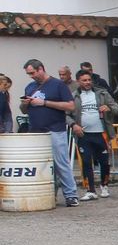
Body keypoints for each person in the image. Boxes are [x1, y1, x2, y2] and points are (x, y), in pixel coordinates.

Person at [21, 60, 79, 207]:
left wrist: (44, 103)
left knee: (61, 163)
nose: (31, 76)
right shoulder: (30, 87)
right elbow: (24, 110)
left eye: (33, 73)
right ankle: (48, 194)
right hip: (35, 132)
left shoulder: (58, 85)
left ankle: (71, 195)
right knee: (42, 165)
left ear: (40, 69)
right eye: (29, 74)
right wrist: (25, 104)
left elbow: (70, 106)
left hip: (54, 130)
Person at [69, 69, 118, 199]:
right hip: (83, 134)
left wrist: (108, 108)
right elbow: (66, 115)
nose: (87, 83)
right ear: (78, 81)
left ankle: (104, 185)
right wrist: (74, 125)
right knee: (86, 162)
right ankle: (90, 190)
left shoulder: (102, 93)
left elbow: (117, 109)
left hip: (101, 133)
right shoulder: (73, 96)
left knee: (104, 161)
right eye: (84, 80)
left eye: (89, 80)